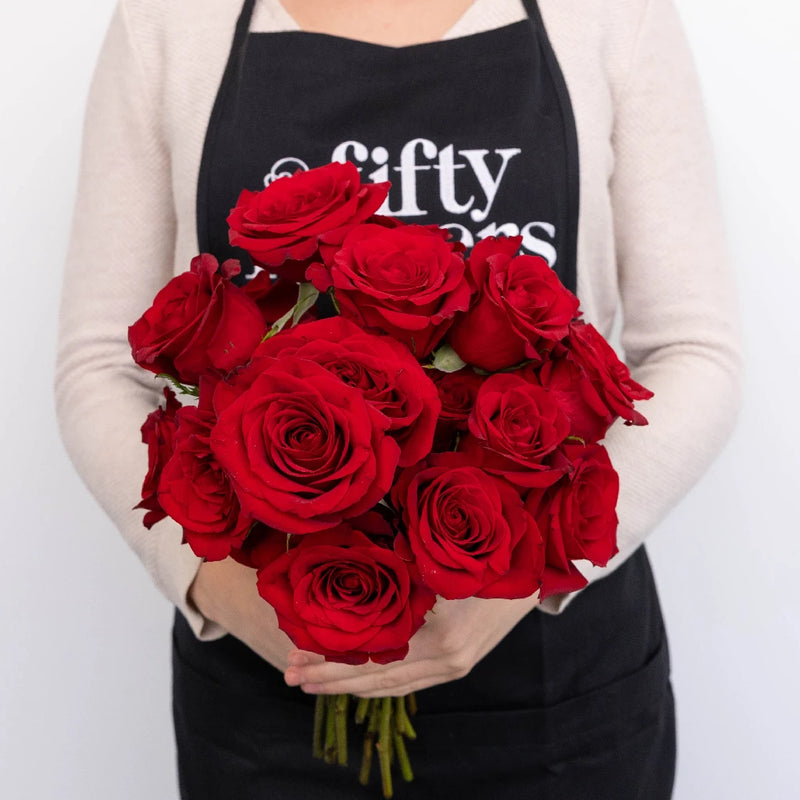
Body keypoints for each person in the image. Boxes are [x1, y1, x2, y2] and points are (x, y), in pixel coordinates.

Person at [55, 0, 741, 797]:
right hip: (270, 685)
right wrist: (219, 589)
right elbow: (101, 361)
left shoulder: (612, 17)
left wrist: (530, 578)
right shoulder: (168, 22)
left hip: (559, 690)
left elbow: (697, 352)